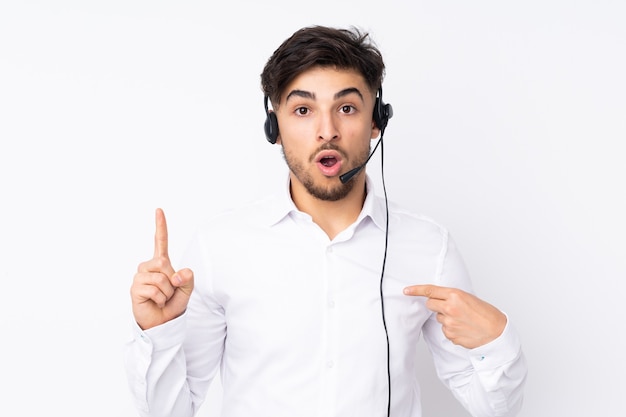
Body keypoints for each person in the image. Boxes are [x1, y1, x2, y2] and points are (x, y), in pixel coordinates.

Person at [124, 25, 527, 417]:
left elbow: (490, 407)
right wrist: (158, 334)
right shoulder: (220, 246)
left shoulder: (429, 246)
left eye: (347, 108)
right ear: (274, 126)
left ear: (376, 122)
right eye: (303, 110)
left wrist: (496, 341)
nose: (327, 131)